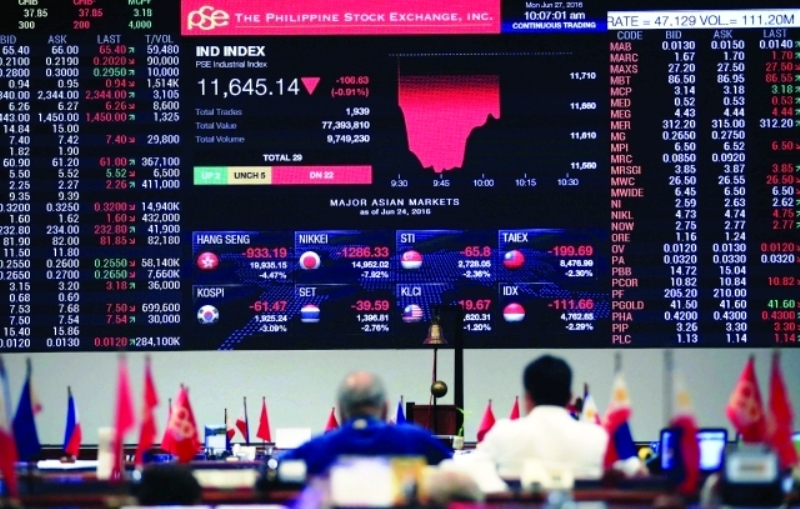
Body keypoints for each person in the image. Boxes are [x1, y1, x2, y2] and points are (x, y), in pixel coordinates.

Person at [279, 371, 451, 476]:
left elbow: (273, 471)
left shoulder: (316, 448)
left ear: (341, 411)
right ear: (385, 409)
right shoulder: (417, 441)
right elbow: (455, 471)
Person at [477, 355, 609, 480]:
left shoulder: (502, 433)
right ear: (570, 397)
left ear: (527, 398)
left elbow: (476, 475)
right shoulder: (596, 437)